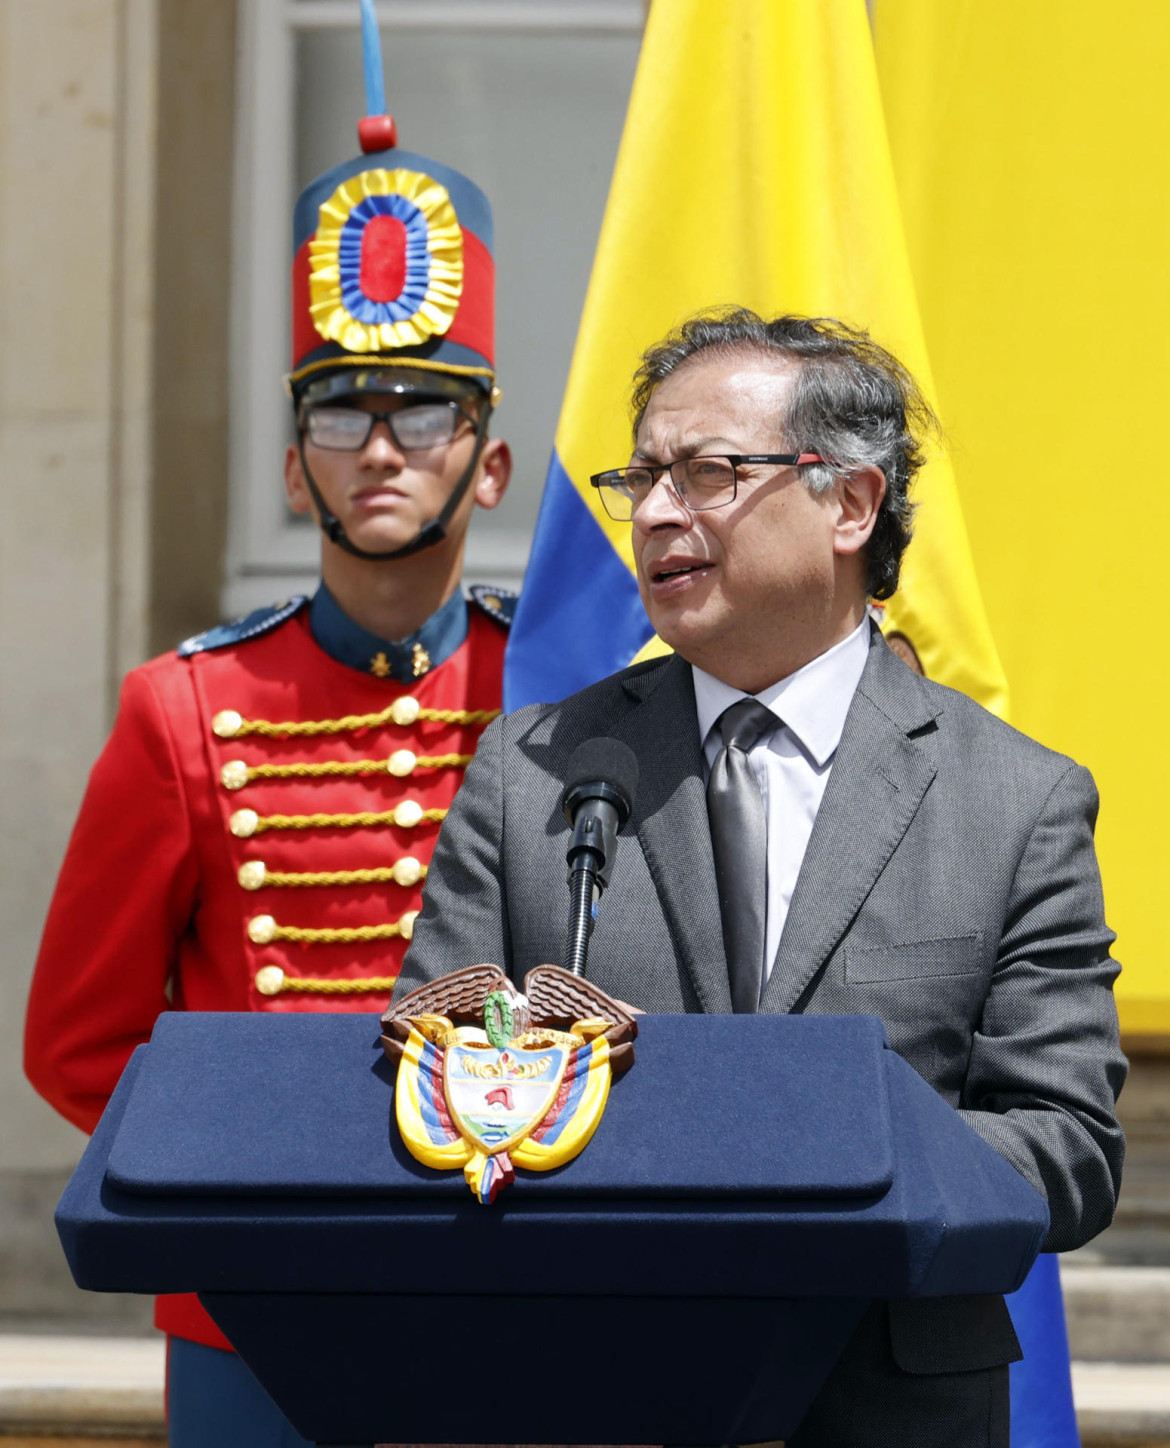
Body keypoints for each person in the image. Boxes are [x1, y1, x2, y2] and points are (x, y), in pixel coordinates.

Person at [398, 309, 1126, 1447]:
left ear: (849, 502)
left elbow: (1068, 1153)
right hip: (595, 1392)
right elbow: (426, 1071)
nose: (653, 512)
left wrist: (798, 1124)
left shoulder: (1013, 801)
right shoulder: (531, 768)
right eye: (639, 476)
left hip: (892, 1407)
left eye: (708, 472)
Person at [24, 48, 513, 1448]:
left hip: (513, 1275)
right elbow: (77, 1040)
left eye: (423, 406)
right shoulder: (180, 709)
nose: (378, 444)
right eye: (337, 408)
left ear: (488, 461)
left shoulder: (551, 695)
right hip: (261, 1302)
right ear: (292, 463)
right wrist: (246, 1189)